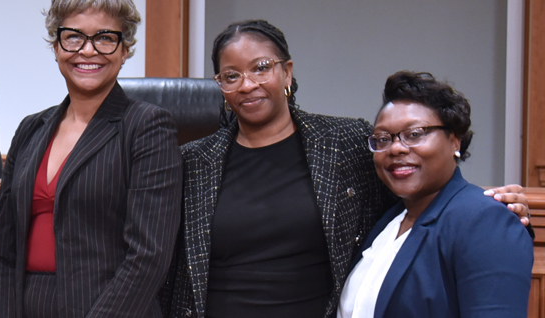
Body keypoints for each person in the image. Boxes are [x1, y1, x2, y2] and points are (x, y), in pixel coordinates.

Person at [161, 19, 531, 318]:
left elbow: (419, 187)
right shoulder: (192, 160)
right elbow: (168, 262)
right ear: (220, 86)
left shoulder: (346, 142)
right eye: (231, 76)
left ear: (287, 73)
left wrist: (492, 206)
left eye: (261, 68)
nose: (248, 84)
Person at [0, 0, 183, 317]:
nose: (88, 50)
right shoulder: (31, 128)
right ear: (56, 47)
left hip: (110, 307)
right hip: (27, 305)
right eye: (74, 37)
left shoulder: (147, 127)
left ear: (125, 50)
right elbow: (5, 249)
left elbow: (148, 256)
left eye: (105, 38)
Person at [336, 71, 532, 318]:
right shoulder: (388, 220)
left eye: (414, 134)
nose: (396, 148)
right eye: (383, 138)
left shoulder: (485, 220)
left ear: (455, 140)